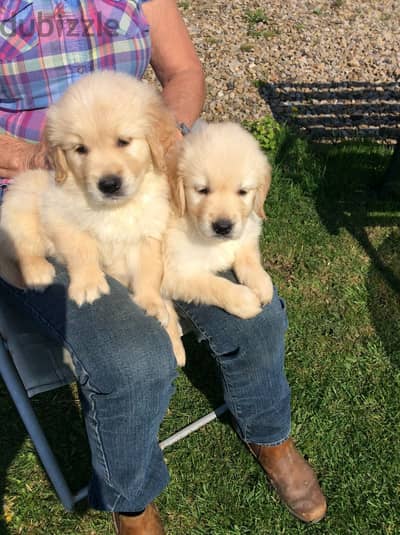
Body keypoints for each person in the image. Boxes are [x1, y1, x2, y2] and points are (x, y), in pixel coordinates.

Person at [0, 1, 327, 533]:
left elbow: (182, 71)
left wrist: (167, 134)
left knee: (259, 317)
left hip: (148, 187)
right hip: (44, 198)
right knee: (134, 360)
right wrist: (36, 157)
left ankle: (271, 436)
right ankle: (133, 503)